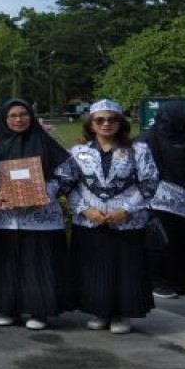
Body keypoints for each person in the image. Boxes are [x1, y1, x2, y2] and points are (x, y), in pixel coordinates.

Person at [66, 99, 159, 334]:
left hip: (127, 220)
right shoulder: (77, 152)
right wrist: (84, 210)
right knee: (95, 268)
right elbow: (68, 185)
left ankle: (122, 313)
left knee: (125, 268)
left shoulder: (138, 150)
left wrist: (127, 209)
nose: (106, 124)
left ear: (121, 123)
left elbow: (149, 183)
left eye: (112, 119)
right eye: (100, 120)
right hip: (91, 219)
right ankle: (99, 310)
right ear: (91, 123)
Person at [0, 99, 75, 330]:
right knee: (6, 264)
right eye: (13, 115)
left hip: (40, 216)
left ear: (31, 117)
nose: (18, 120)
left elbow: (67, 173)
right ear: (4, 119)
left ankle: (39, 311)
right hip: (5, 218)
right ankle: (8, 308)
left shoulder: (45, 143)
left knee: (37, 264)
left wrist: (47, 191)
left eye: (23, 114)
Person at [138, 100, 185, 299]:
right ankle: (159, 282)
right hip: (161, 200)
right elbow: (143, 173)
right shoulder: (148, 139)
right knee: (162, 241)